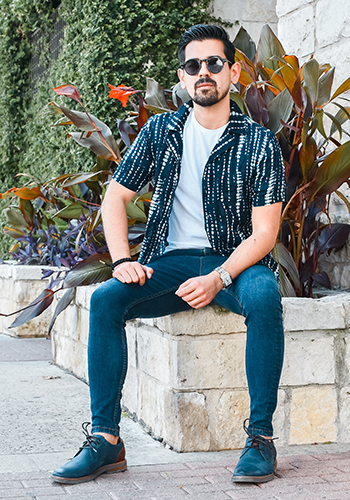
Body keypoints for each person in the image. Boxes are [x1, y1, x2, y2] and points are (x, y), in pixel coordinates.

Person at [52, 23, 285, 485]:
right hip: (171, 261)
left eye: (214, 64)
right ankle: (106, 442)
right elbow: (114, 197)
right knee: (105, 301)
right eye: (194, 65)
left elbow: (264, 234)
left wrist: (219, 277)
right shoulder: (161, 130)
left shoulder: (257, 141)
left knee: (263, 298)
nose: (204, 73)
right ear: (182, 78)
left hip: (235, 262)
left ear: (232, 73)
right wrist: (122, 261)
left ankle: (260, 438)